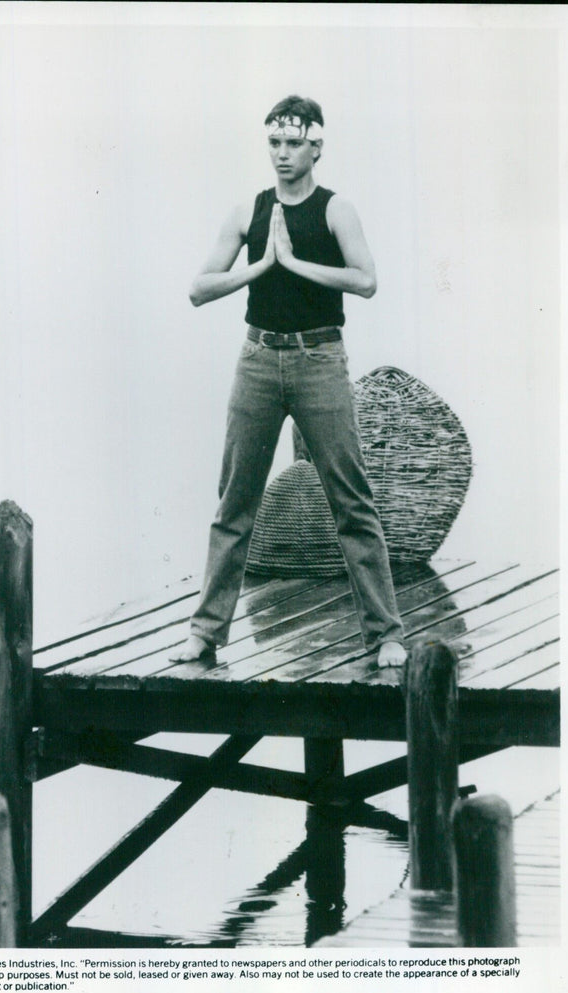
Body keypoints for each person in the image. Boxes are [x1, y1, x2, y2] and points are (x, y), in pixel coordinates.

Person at [170, 95, 407, 669]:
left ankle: (386, 634)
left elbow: (367, 279)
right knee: (235, 501)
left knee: (351, 501)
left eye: (294, 143)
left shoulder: (335, 210)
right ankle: (206, 632)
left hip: (319, 358)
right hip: (258, 358)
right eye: (274, 142)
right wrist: (260, 265)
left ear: (317, 146)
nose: (282, 153)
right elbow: (199, 288)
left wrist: (295, 262)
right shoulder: (249, 211)